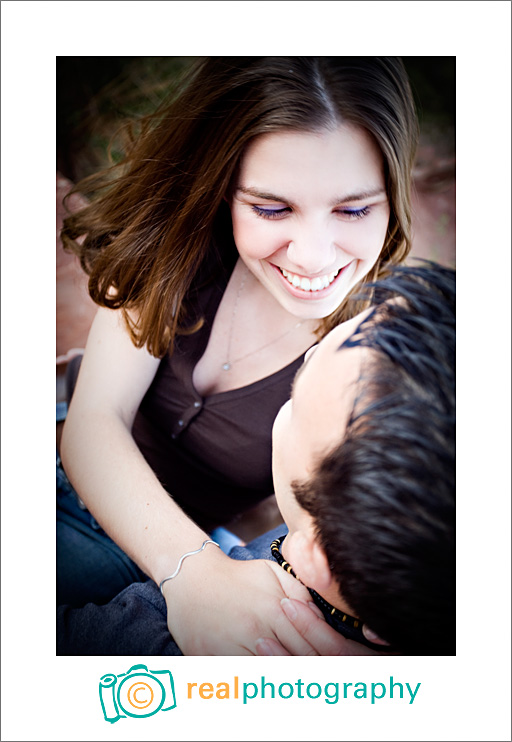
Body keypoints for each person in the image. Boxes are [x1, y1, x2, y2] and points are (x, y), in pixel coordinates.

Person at [58, 57, 419, 655]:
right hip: (79, 500)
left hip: (206, 562)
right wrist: (192, 571)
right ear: (222, 186)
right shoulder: (173, 244)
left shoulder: (376, 349)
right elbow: (95, 417)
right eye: (271, 208)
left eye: (354, 209)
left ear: (392, 198)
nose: (310, 256)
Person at [57, 264, 455, 656]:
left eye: (295, 400)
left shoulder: (148, 643)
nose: (311, 349)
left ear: (308, 558)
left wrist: (195, 568)